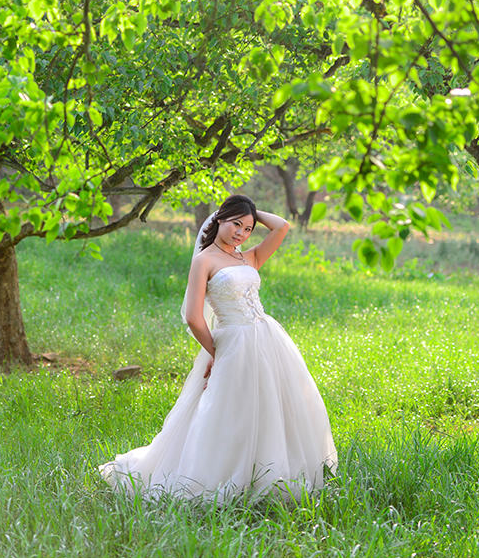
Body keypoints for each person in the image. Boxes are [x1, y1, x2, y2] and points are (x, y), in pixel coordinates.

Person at [98, 194, 337, 505]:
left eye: (248, 229)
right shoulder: (204, 261)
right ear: (220, 219)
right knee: (231, 412)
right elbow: (193, 317)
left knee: (270, 406)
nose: (241, 232)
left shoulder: (247, 257)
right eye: (235, 224)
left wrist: (251, 210)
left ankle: (267, 475)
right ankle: (223, 476)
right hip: (232, 343)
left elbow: (282, 227)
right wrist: (215, 352)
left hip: (267, 340)